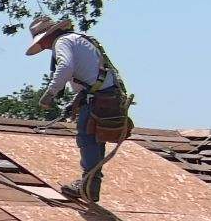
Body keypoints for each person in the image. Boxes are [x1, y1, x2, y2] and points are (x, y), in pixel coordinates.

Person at [27, 15, 132, 206]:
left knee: (87, 138)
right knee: (94, 139)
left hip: (98, 99)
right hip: (106, 95)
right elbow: (93, 76)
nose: (44, 47)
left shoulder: (62, 42)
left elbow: (65, 67)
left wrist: (51, 92)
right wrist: (77, 100)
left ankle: (88, 185)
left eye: (42, 42)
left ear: (49, 35)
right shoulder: (78, 39)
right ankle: (90, 184)